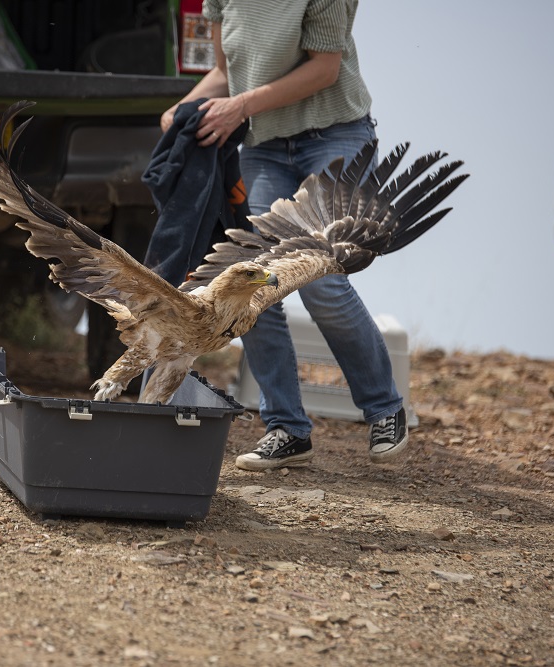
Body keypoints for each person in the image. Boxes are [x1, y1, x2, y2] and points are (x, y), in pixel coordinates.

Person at [158, 0, 409, 470]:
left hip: (336, 136)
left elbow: (325, 70)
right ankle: (287, 428)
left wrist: (240, 107)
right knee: (250, 282)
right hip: (264, 150)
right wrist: (182, 108)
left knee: (319, 277)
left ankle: (384, 407)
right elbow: (226, 72)